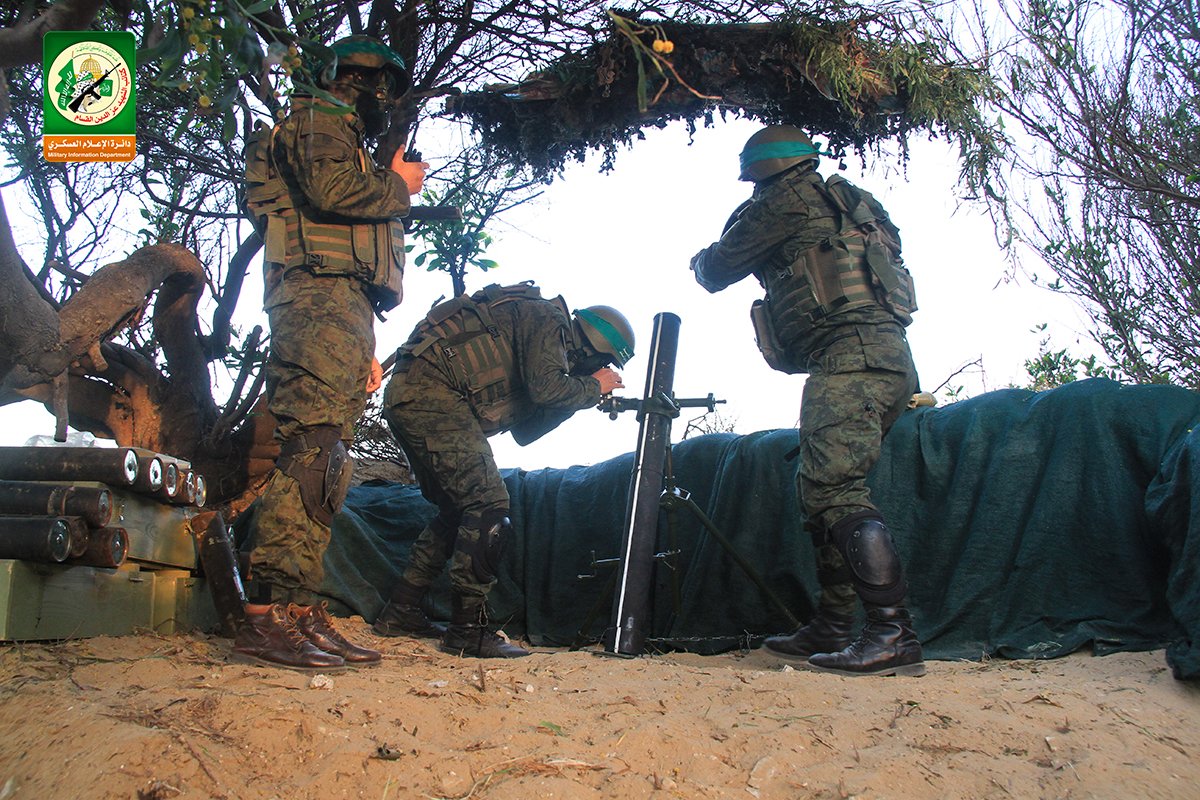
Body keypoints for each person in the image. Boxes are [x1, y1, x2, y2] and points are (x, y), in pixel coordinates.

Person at [689, 125, 925, 677]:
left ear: (759, 173)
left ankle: (893, 634)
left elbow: (715, 270)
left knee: (833, 487)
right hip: (890, 356)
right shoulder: (852, 201)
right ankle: (834, 624)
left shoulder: (781, 202)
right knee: (819, 485)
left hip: (850, 355)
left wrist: (699, 255)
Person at [235, 35, 429, 671]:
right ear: (355, 80)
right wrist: (398, 187)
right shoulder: (317, 120)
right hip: (316, 302)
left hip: (340, 309)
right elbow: (329, 192)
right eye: (378, 85)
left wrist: (361, 341)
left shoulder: (338, 128)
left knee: (328, 456)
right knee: (312, 449)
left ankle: (298, 608)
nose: (382, 101)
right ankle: (269, 613)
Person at [372, 283, 634, 658]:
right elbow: (546, 390)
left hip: (415, 393)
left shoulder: (546, 346)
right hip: (432, 391)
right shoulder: (548, 318)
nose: (601, 370)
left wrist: (579, 394)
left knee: (458, 508)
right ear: (592, 346)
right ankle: (466, 630)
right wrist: (591, 387)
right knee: (489, 503)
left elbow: (526, 432)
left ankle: (401, 609)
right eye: (602, 363)